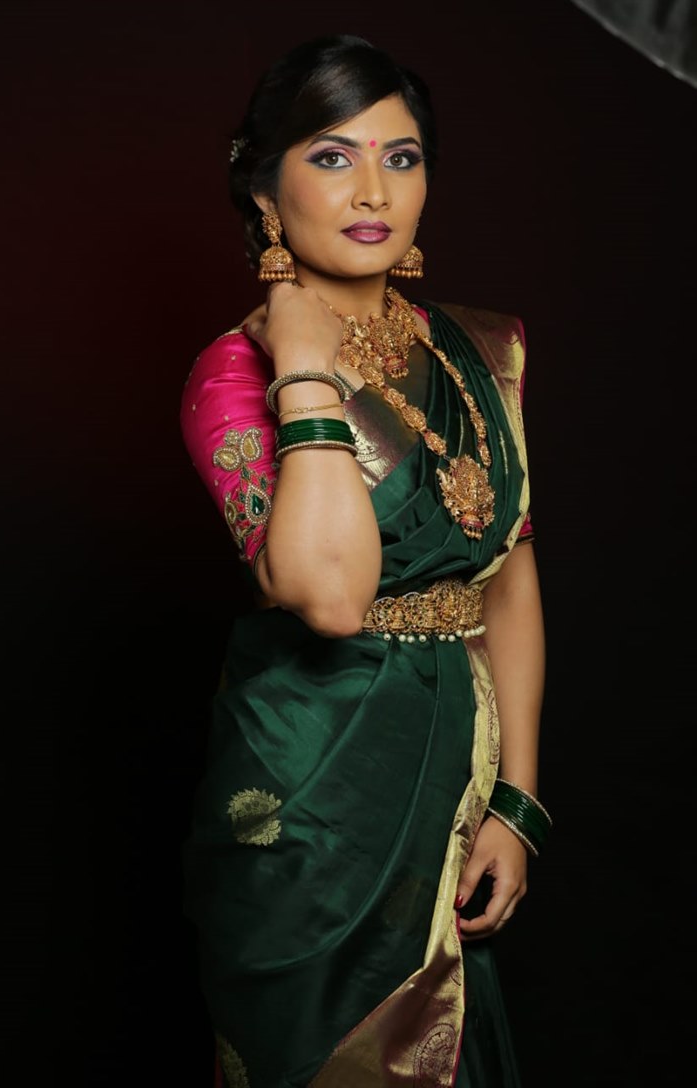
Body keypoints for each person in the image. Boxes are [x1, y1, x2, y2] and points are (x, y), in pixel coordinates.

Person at [180, 32, 551, 1088]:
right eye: (333, 156)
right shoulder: (232, 374)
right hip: (311, 792)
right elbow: (331, 596)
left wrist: (515, 802)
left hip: (456, 774)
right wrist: (304, 365)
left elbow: (508, 576)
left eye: (401, 156)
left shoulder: (483, 354)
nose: (373, 189)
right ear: (267, 191)